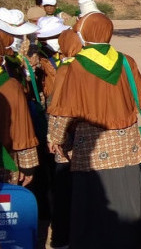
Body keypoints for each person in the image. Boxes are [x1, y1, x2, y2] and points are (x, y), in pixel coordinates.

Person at [47, 11, 141, 248]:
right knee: (126, 193)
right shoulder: (126, 60)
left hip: (90, 146)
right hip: (126, 144)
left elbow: (65, 110)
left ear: (85, 34)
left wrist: (55, 138)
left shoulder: (74, 67)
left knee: (93, 199)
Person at [43, 28, 83, 249]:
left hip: (65, 137)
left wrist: (54, 136)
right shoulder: (86, 67)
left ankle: (60, 237)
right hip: (84, 136)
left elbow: (57, 106)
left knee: (64, 186)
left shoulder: (65, 69)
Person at [0, 8, 40, 187]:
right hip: (7, 161)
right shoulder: (9, 86)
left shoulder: (14, 62)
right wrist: (28, 164)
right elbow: (19, 126)